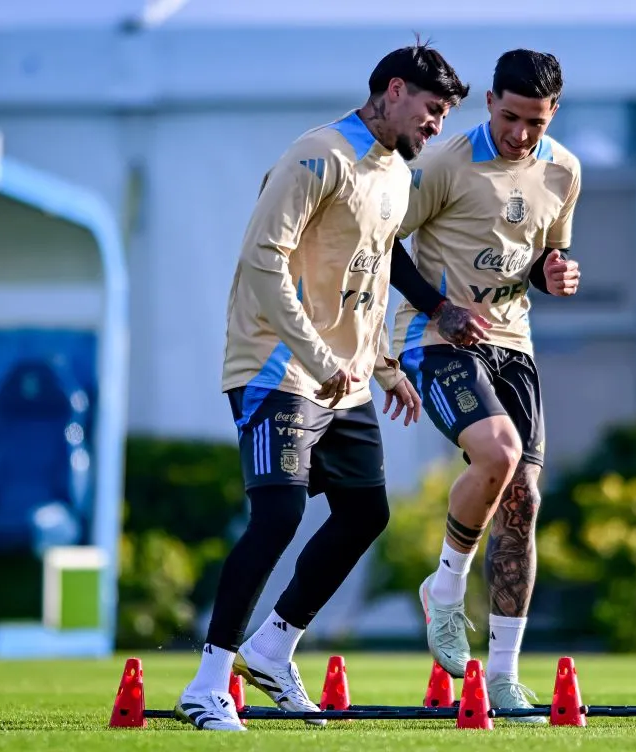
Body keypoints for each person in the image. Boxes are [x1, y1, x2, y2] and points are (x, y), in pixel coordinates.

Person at [174, 42, 469, 732]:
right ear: (394, 91)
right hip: (277, 366)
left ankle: (273, 649)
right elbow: (261, 259)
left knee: (366, 513)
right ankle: (208, 681)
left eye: (445, 114)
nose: (436, 125)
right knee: (277, 516)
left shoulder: (395, 172)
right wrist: (313, 351)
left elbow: (370, 267)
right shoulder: (319, 154)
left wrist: (387, 367)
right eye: (432, 109)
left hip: (347, 377)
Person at [389, 48, 582, 722]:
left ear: (552, 113)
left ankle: (501, 676)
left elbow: (540, 253)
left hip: (513, 345)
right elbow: (384, 244)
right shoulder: (444, 164)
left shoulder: (563, 170)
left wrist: (554, 272)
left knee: (524, 499)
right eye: (509, 116)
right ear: (490, 101)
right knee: (498, 454)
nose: (520, 134)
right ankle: (445, 589)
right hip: (437, 338)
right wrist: (441, 308)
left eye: (535, 121)